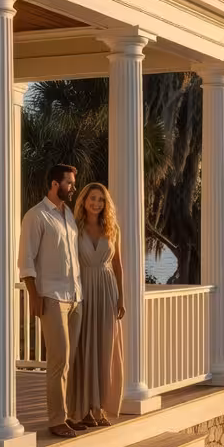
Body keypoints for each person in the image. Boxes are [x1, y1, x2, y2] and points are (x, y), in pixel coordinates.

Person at [18, 164, 83, 438]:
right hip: (52, 296)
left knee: (71, 359)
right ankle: (56, 419)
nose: (73, 187)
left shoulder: (68, 214)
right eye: (69, 183)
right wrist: (34, 295)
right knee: (59, 358)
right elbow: (26, 261)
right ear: (55, 184)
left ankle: (68, 415)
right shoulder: (36, 216)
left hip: (76, 296)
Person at [68, 183, 125, 428]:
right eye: (93, 198)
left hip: (106, 291)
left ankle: (100, 407)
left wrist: (121, 297)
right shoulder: (74, 227)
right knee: (83, 349)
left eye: (101, 200)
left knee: (103, 350)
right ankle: (83, 410)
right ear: (84, 201)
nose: (97, 203)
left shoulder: (112, 228)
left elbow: (118, 265)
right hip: (82, 292)